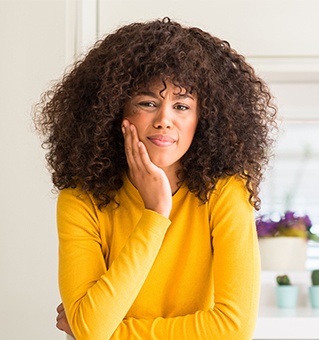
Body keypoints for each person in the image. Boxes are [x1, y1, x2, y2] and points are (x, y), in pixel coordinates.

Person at [34, 17, 277, 339]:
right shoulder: (81, 198)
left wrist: (112, 333)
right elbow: (91, 330)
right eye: (148, 103)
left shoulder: (226, 192)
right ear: (113, 111)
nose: (165, 120)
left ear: (203, 119)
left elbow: (234, 329)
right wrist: (155, 214)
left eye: (182, 105)